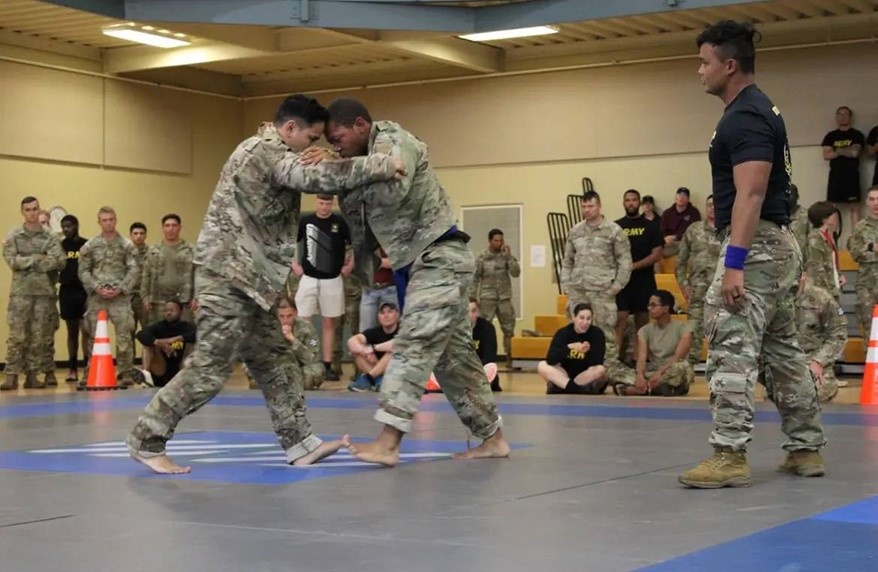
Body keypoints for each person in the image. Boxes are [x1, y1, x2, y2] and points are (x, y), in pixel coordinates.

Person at [125, 94, 404, 474]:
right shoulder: (264, 151)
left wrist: (328, 157)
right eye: (312, 138)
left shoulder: (273, 148)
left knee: (277, 362)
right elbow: (313, 178)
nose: (315, 148)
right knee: (209, 368)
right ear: (290, 129)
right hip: (229, 279)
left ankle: (300, 442)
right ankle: (146, 438)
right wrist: (382, 164)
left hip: (252, 284)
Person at [314, 97, 510, 466]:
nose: (334, 145)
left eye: (338, 136)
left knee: (413, 343)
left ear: (360, 125)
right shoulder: (359, 160)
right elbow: (359, 213)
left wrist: (340, 167)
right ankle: (493, 438)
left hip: (440, 257)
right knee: (454, 361)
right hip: (416, 264)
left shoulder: (393, 139)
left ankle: (389, 440)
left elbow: (393, 189)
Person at [678, 21, 825, 489]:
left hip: (757, 245)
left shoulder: (745, 115)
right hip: (776, 245)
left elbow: (752, 192)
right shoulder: (758, 110)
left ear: (730, 64)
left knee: (730, 346)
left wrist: (736, 262)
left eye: (705, 62)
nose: (699, 71)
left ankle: (729, 454)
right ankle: (805, 449)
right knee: (783, 351)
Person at [560, 191, 632, 382]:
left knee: (604, 335)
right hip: (578, 291)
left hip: (602, 292)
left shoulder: (614, 231)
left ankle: (607, 376)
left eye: (590, 206)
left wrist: (616, 287)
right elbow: (567, 260)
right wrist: (566, 284)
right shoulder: (575, 231)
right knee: (576, 334)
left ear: (599, 206)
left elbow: (625, 262)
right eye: (584, 207)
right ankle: (577, 374)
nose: (587, 210)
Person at [1, 196, 66, 391]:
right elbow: (12, 260)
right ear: (22, 212)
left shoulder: (50, 237)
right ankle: (11, 375)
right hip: (21, 293)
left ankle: (32, 375)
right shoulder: (14, 235)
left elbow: (60, 260)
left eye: (35, 209)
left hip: (44, 293)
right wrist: (36, 258)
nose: (32, 213)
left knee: (38, 336)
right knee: (17, 335)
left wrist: (28, 261)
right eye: (28, 210)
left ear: (39, 210)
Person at [291, 194, 352, 382]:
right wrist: (294, 265)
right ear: (316, 202)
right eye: (321, 203)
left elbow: (352, 245)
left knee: (329, 324)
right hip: (308, 277)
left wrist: (349, 265)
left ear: (332, 203)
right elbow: (289, 243)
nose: (324, 207)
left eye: (327, 203)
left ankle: (327, 365)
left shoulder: (339, 222)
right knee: (302, 321)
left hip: (332, 278)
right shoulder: (306, 221)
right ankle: (303, 361)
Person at [78, 207, 139, 387]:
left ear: (116, 220)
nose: (108, 223)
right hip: (98, 298)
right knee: (94, 337)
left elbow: (134, 269)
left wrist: (121, 288)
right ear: (99, 222)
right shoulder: (90, 246)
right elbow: (83, 270)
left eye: (111, 219)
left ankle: (126, 372)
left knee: (124, 336)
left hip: (120, 298)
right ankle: (91, 372)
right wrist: (96, 288)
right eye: (104, 220)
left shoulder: (127, 245)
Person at [614, 189, 664, 361]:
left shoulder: (651, 226)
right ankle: (613, 363)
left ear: (639, 202)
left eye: (634, 200)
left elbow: (657, 254)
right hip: (622, 283)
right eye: (627, 200)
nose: (631, 203)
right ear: (623, 202)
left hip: (644, 282)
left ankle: (639, 363)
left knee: (642, 324)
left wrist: (634, 266)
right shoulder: (616, 227)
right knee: (619, 322)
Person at [614, 290, 694, 396]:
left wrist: (659, 373)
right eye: (649, 305)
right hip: (652, 372)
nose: (649, 308)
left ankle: (638, 390)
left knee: (683, 367)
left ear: (666, 308)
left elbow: (677, 357)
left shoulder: (683, 329)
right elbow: (641, 359)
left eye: (653, 305)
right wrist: (640, 376)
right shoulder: (644, 330)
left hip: (669, 371)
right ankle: (655, 388)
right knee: (615, 371)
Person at [675, 195, 721, 365]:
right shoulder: (693, 230)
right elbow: (680, 262)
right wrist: (683, 284)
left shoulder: (729, 231)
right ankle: (690, 366)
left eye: (716, 205)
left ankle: (719, 366)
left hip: (721, 291)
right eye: (709, 205)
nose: (712, 208)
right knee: (693, 329)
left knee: (721, 330)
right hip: (697, 290)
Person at [790, 275, 847, 403]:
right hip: (784, 362)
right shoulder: (774, 297)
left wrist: (819, 361)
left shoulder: (821, 298)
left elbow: (838, 334)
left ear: (803, 275)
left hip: (813, 360)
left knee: (814, 392)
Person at [472, 229, 521, 365]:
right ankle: (481, 357)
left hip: (504, 297)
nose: (499, 243)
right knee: (483, 327)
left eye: (501, 240)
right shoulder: (482, 256)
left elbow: (516, 273)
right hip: (487, 297)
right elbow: (475, 277)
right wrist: (472, 297)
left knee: (509, 328)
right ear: (490, 241)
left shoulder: (506, 255)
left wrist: (509, 257)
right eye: (496, 240)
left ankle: (511, 357)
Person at [537, 303, 607, 395]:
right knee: (542, 365)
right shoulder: (562, 333)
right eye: (581, 318)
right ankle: (577, 389)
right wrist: (570, 347)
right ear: (574, 317)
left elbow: (597, 361)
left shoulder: (597, 334)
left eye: (588, 319)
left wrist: (588, 351)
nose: (585, 322)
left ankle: (562, 387)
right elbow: (551, 359)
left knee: (600, 370)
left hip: (584, 376)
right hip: (565, 375)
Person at [140, 214, 196, 326]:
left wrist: (197, 297)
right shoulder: (154, 251)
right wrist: (145, 297)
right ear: (163, 228)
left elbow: (198, 274)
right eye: (167, 226)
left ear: (180, 227)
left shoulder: (191, 250)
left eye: (174, 225)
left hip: (184, 301)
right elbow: (146, 275)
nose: (171, 229)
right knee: (158, 335)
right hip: (158, 301)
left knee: (184, 336)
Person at [135, 299, 196, 388]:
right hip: (161, 367)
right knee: (148, 345)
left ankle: (191, 379)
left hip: (180, 366)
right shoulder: (159, 326)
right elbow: (140, 334)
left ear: (181, 311)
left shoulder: (186, 326)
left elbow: (197, 334)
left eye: (172, 310)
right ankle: (145, 375)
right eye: (166, 310)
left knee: (194, 345)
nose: (168, 313)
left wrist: (177, 338)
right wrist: (158, 342)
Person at [822, 106, 865, 229]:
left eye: (845, 114)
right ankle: (832, 243)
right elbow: (826, 155)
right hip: (835, 176)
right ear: (836, 117)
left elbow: (855, 153)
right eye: (839, 114)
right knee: (831, 208)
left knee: (854, 208)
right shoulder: (830, 136)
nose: (842, 117)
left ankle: (857, 242)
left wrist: (836, 150)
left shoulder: (856, 135)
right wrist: (845, 151)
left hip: (851, 175)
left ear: (850, 117)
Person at [58, 214, 89, 382]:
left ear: (76, 225)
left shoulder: (86, 244)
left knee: (86, 330)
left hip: (84, 291)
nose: (65, 229)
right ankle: (72, 368)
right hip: (67, 291)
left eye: (68, 226)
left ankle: (87, 367)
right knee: (71, 332)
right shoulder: (60, 245)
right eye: (63, 226)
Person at [347, 301, 400, 392]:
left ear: (397, 315)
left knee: (392, 351)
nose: (386, 316)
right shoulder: (374, 332)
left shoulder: (403, 330)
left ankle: (369, 378)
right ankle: (379, 381)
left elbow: (397, 343)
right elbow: (351, 341)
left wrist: (373, 348)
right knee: (357, 352)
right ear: (378, 317)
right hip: (378, 367)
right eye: (382, 313)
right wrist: (364, 351)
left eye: (389, 312)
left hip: (397, 370)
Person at [847, 186, 878, 337]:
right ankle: (871, 360)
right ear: (866, 202)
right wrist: (870, 247)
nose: (875, 203)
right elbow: (854, 253)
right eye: (872, 199)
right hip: (867, 285)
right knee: (869, 328)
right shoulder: (860, 227)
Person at [276, 296, 324, 391]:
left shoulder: (307, 328)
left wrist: (293, 341)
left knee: (317, 370)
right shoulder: (269, 327)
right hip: (277, 367)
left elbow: (312, 359)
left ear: (295, 313)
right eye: (281, 316)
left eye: (289, 316)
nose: (285, 320)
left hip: (299, 368)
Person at [805, 201, 844, 301]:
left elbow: (831, 263)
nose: (836, 220)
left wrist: (839, 275)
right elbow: (816, 266)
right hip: (822, 292)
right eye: (834, 216)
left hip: (832, 288)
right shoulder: (816, 238)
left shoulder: (828, 237)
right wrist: (827, 291)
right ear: (825, 219)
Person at [468, 298, 501, 391]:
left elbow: (490, 357)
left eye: (473, 311)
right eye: (466, 311)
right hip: (460, 371)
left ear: (478, 312)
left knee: (490, 367)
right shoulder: (454, 329)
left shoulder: (487, 328)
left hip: (480, 370)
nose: (470, 315)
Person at [660, 187, 701, 256]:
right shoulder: (667, 213)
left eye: (684, 196)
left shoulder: (694, 212)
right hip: (669, 243)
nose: (681, 198)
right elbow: (661, 230)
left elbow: (696, 231)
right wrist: (666, 238)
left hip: (686, 242)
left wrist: (676, 237)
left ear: (688, 199)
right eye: (679, 195)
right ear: (675, 197)